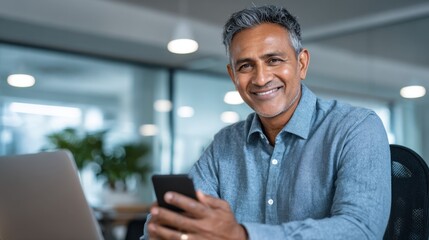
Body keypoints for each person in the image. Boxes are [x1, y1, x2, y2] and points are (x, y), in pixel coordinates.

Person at [143, 5, 391, 240]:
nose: (261, 79)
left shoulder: (356, 128)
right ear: (233, 76)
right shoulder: (225, 145)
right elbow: (176, 224)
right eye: (246, 66)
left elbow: (360, 230)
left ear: (301, 64)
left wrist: (243, 235)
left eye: (274, 60)